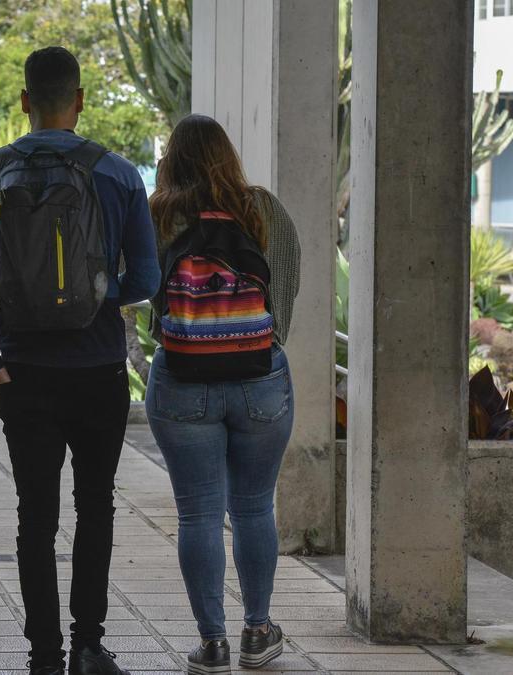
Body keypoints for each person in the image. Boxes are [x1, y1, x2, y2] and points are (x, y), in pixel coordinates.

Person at [0, 47, 160, 675]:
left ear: (23, 101)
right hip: (98, 371)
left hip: (24, 373)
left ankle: (44, 654)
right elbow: (147, 276)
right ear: (81, 100)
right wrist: (100, 294)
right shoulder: (120, 175)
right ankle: (89, 647)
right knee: (95, 504)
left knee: (34, 516)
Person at [144, 114, 301, 675]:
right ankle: (258, 631)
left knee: (199, 514)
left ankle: (211, 645)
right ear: (228, 156)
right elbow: (284, 289)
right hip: (261, 378)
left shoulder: (158, 213)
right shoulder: (263, 209)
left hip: (183, 381)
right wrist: (255, 344)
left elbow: (138, 286)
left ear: (172, 159)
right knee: (255, 507)